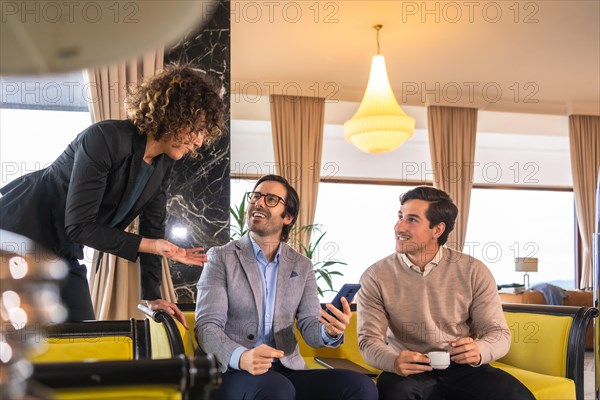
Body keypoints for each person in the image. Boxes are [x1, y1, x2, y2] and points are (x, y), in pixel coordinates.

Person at [0, 64, 225, 325]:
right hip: (15, 236)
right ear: (174, 114)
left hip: (63, 249)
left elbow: (153, 228)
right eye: (196, 129)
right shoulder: (104, 138)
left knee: (85, 336)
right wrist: (149, 245)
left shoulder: (163, 164)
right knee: (15, 339)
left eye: (204, 133)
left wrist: (151, 296)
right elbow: (79, 226)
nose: (199, 142)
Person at [195, 175, 378, 400]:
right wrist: (242, 357)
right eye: (256, 196)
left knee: (361, 386)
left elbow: (309, 325)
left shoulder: (302, 265)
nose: (258, 203)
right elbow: (206, 327)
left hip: (286, 370)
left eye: (271, 199)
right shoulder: (221, 257)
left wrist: (329, 331)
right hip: (233, 371)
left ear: (288, 217)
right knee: (276, 389)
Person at [357, 186, 535, 400]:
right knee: (394, 392)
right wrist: (393, 361)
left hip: (463, 367)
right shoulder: (375, 276)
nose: (399, 227)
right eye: (400, 217)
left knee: (517, 396)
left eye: (412, 220)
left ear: (437, 230)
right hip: (407, 371)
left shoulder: (473, 270)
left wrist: (478, 350)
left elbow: (498, 334)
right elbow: (369, 341)